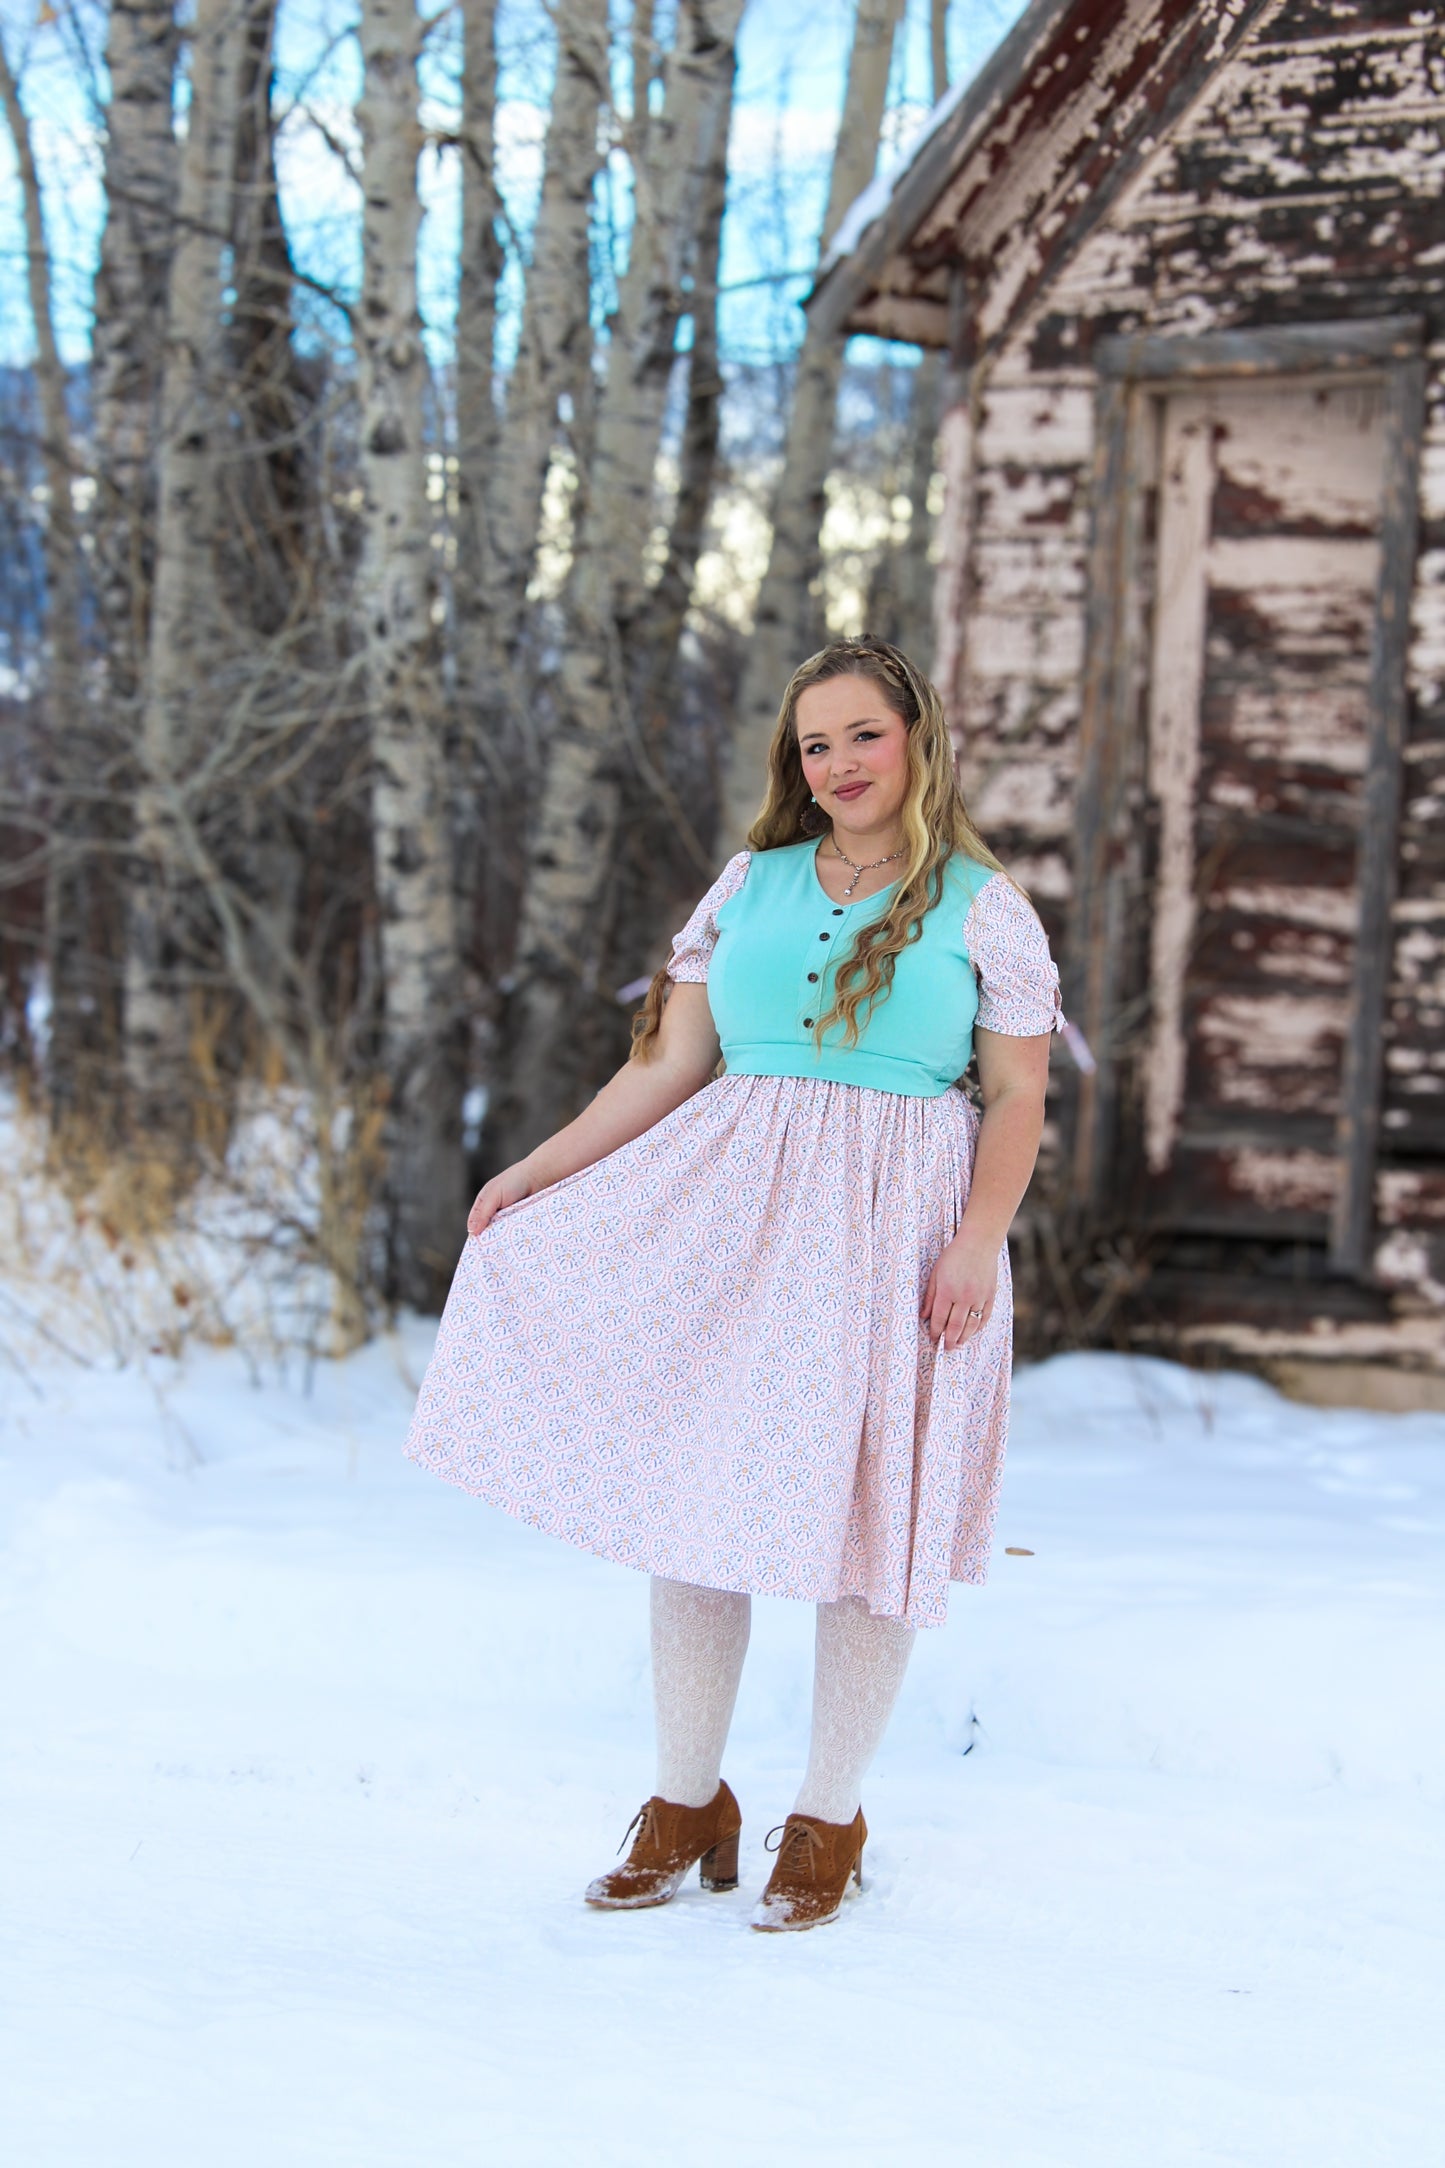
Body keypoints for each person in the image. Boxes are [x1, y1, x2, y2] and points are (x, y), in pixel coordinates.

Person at [404, 633, 1063, 1933]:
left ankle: (826, 1815)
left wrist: (979, 1238)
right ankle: (685, 1800)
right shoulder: (748, 885)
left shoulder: (980, 904)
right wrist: (535, 1170)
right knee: (695, 1497)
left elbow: (1019, 1092)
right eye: (813, 743)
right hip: (732, 1219)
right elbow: (661, 1069)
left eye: (861, 735)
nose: (836, 764)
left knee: (869, 1516)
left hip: (897, 1230)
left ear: (914, 737)